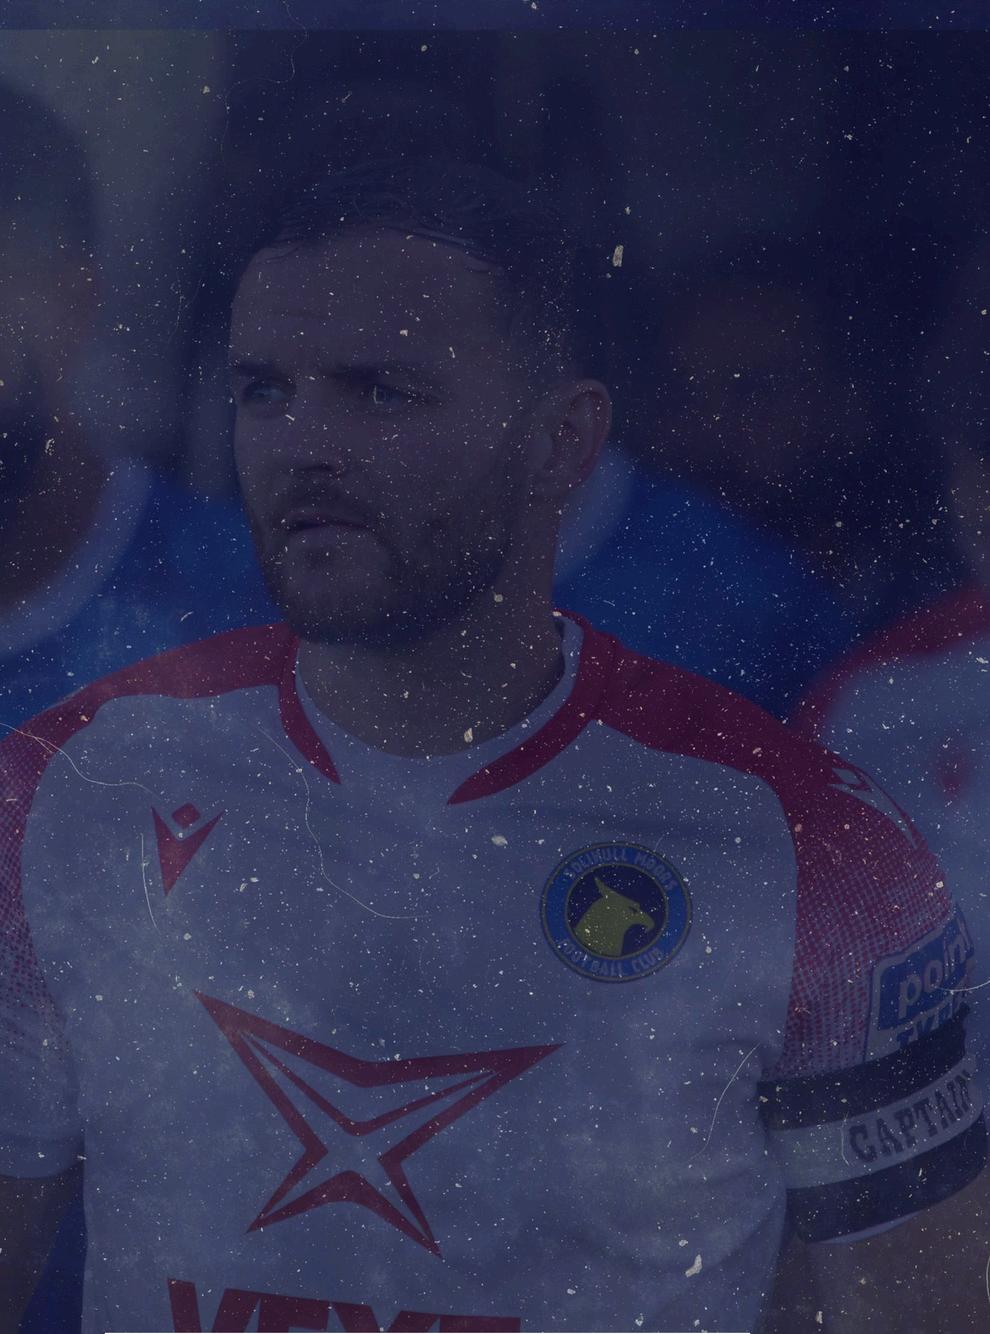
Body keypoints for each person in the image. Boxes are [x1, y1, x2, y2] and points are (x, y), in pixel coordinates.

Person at [0, 158, 985, 1334]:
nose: (305, 441)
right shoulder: (65, 792)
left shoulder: (810, 846)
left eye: (382, 390)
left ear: (563, 439)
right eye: (264, 389)